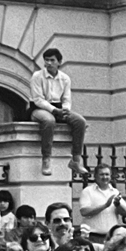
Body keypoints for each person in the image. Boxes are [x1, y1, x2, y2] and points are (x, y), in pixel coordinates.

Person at [29, 48, 89, 177]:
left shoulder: (65, 78)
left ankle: (76, 160)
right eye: (46, 60)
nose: (49, 63)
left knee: (80, 121)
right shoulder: (37, 76)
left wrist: (65, 110)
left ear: (59, 62)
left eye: (52, 60)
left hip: (58, 108)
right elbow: (38, 99)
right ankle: (46, 159)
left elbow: (66, 99)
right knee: (49, 120)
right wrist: (54, 110)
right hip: (39, 108)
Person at [79, 163, 126, 238]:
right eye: (101, 174)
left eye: (107, 174)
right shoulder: (87, 191)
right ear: (95, 176)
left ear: (110, 176)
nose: (105, 177)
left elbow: (125, 212)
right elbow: (84, 211)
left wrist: (118, 205)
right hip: (93, 236)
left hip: (111, 236)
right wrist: (105, 206)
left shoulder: (115, 192)